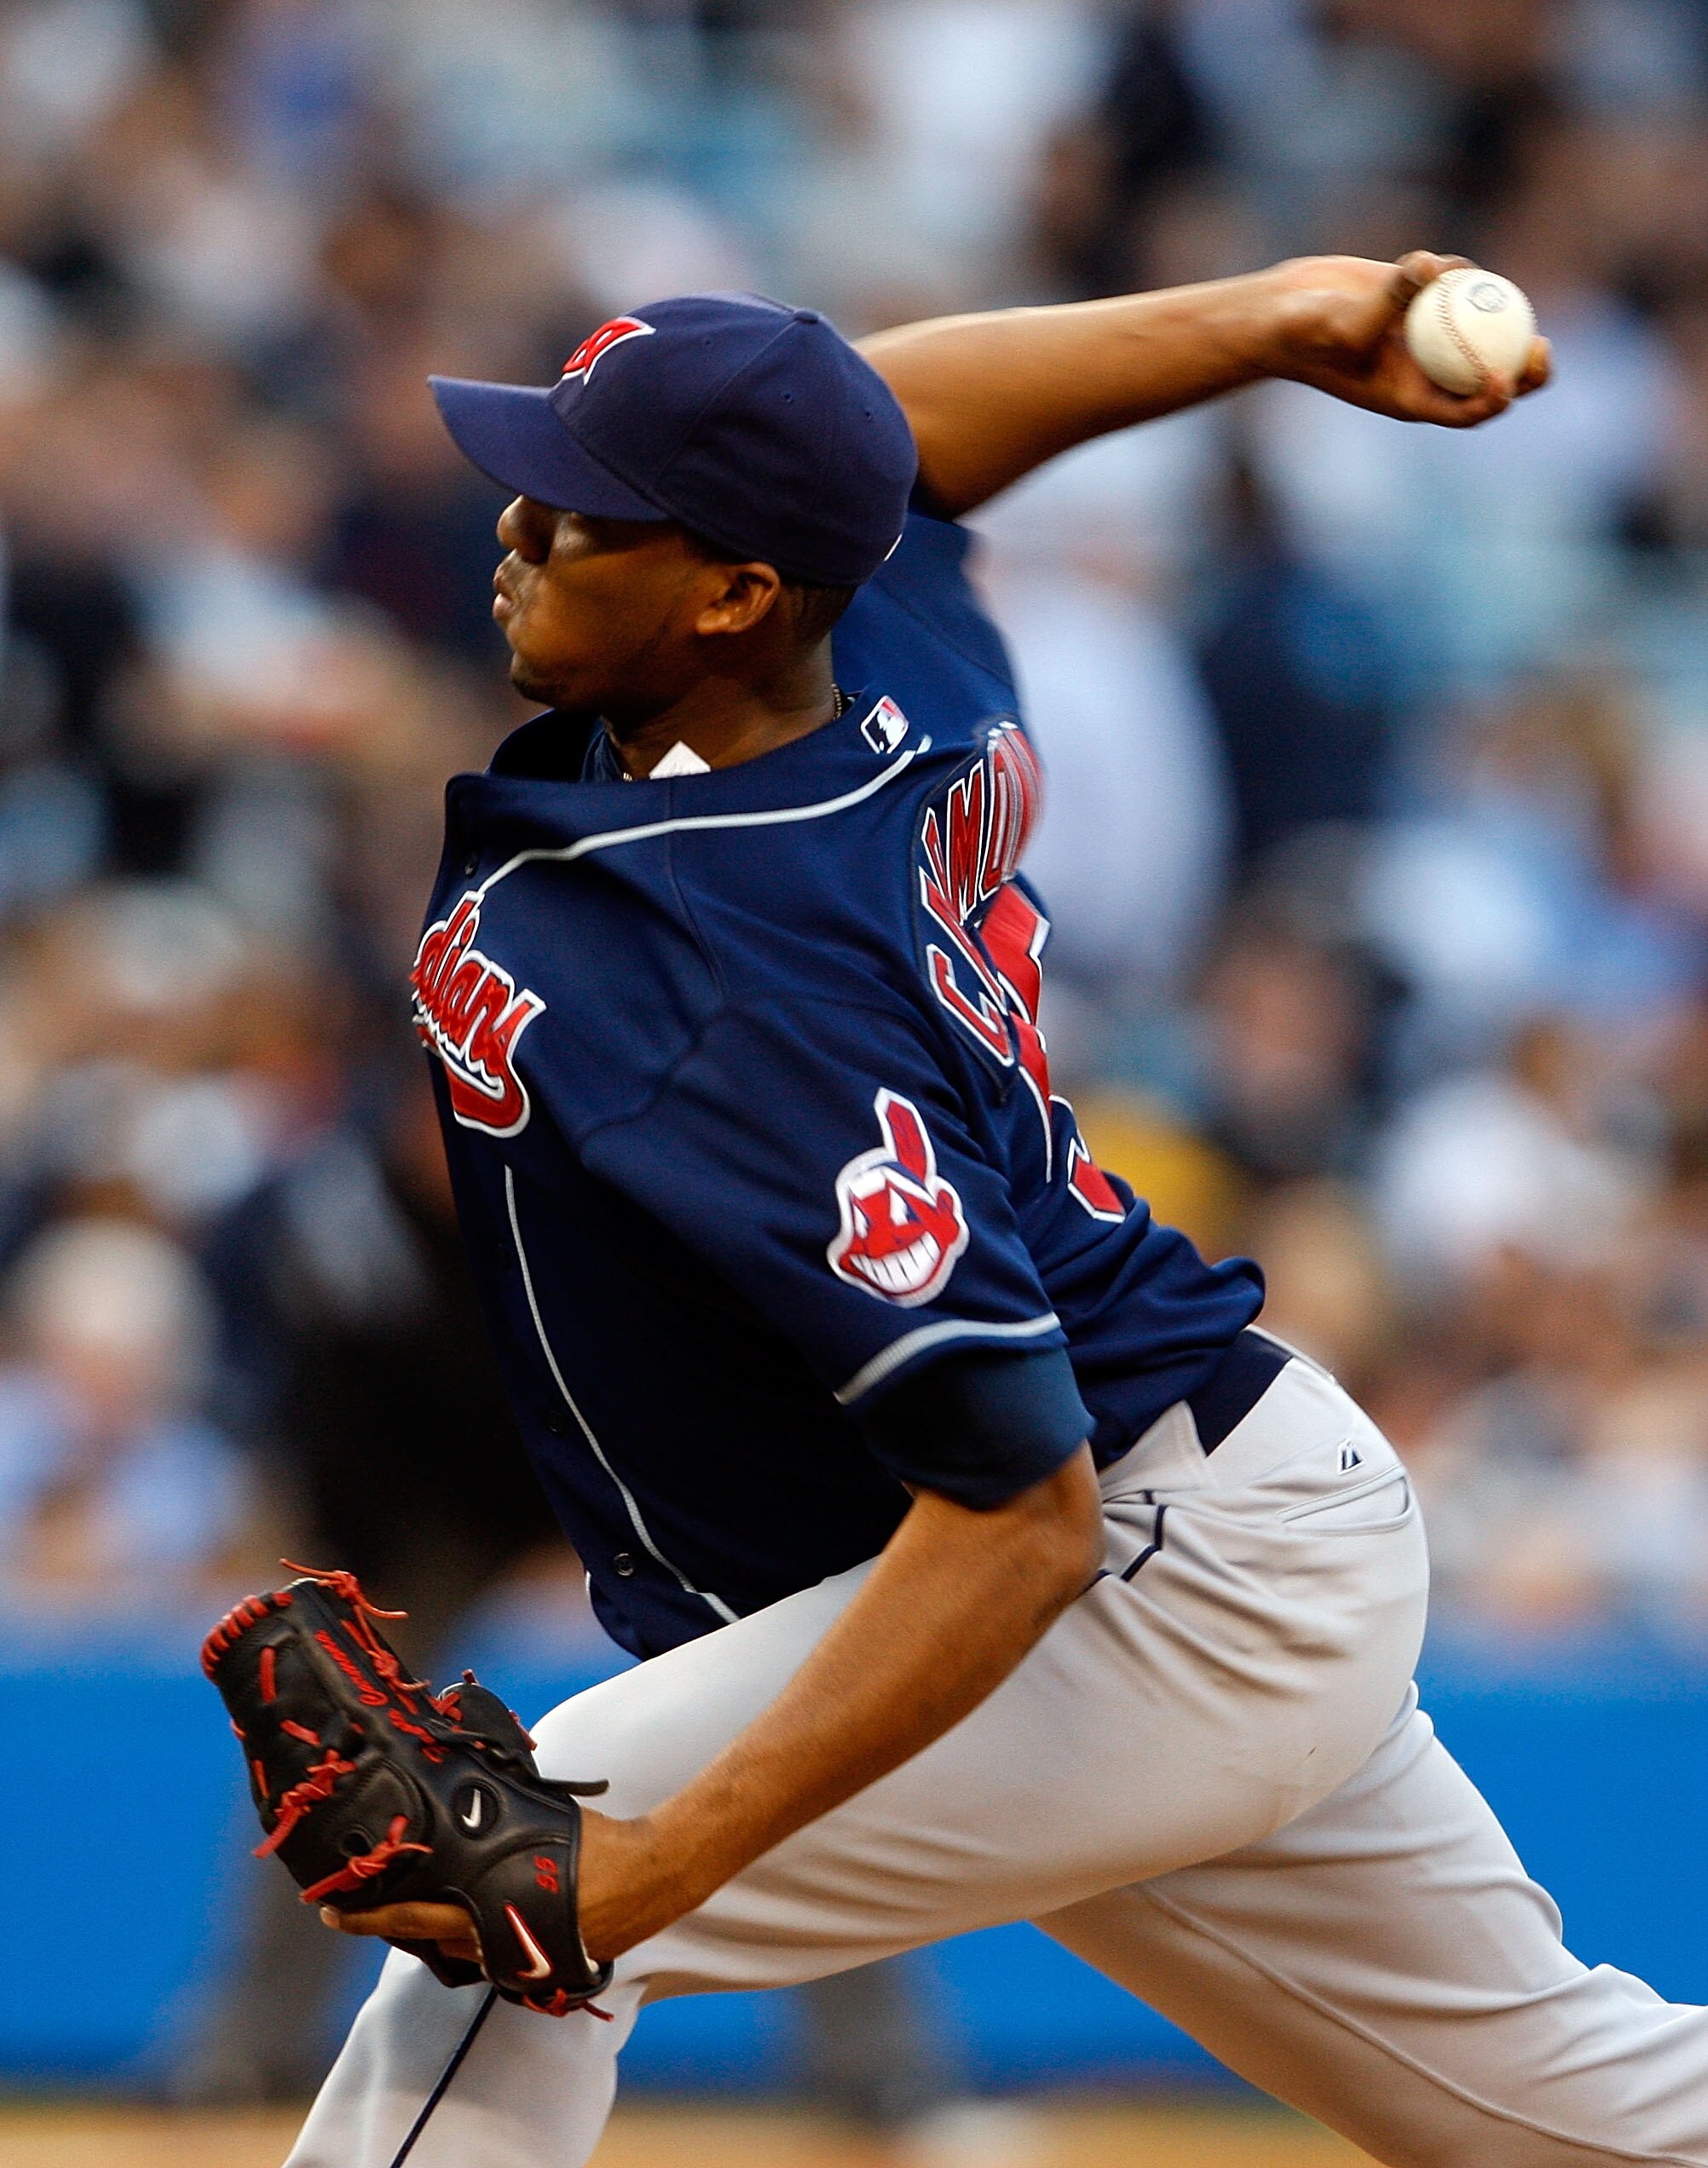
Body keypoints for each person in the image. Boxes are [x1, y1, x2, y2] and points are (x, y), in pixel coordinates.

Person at [283, 259, 1702, 2168]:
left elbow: (1014, 1505)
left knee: (521, 1913)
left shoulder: (727, 974)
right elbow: (893, 437)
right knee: (1576, 2122)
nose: (516, 528)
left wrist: (643, 1876)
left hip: (1138, 1572)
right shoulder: (868, 655)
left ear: (729, 593)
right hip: (1212, 1522)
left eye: (580, 514)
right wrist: (1284, 317)